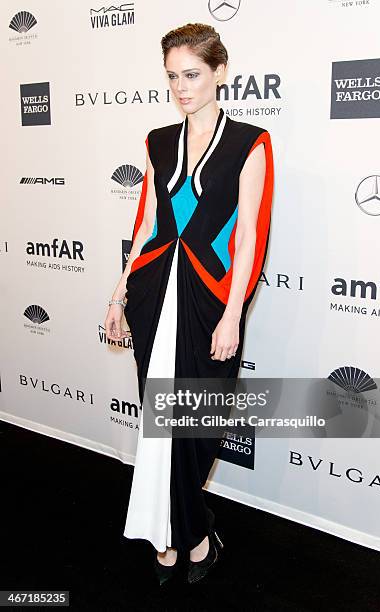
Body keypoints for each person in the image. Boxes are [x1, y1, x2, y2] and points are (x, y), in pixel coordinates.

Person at [105, 22, 274, 585]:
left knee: (199, 423)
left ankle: (192, 524)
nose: (181, 87)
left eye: (192, 74)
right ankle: (175, 534)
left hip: (209, 299)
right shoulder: (157, 141)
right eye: (173, 76)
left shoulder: (250, 141)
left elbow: (249, 234)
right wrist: (119, 290)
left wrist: (234, 312)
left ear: (220, 71)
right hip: (154, 291)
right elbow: (148, 221)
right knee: (161, 421)